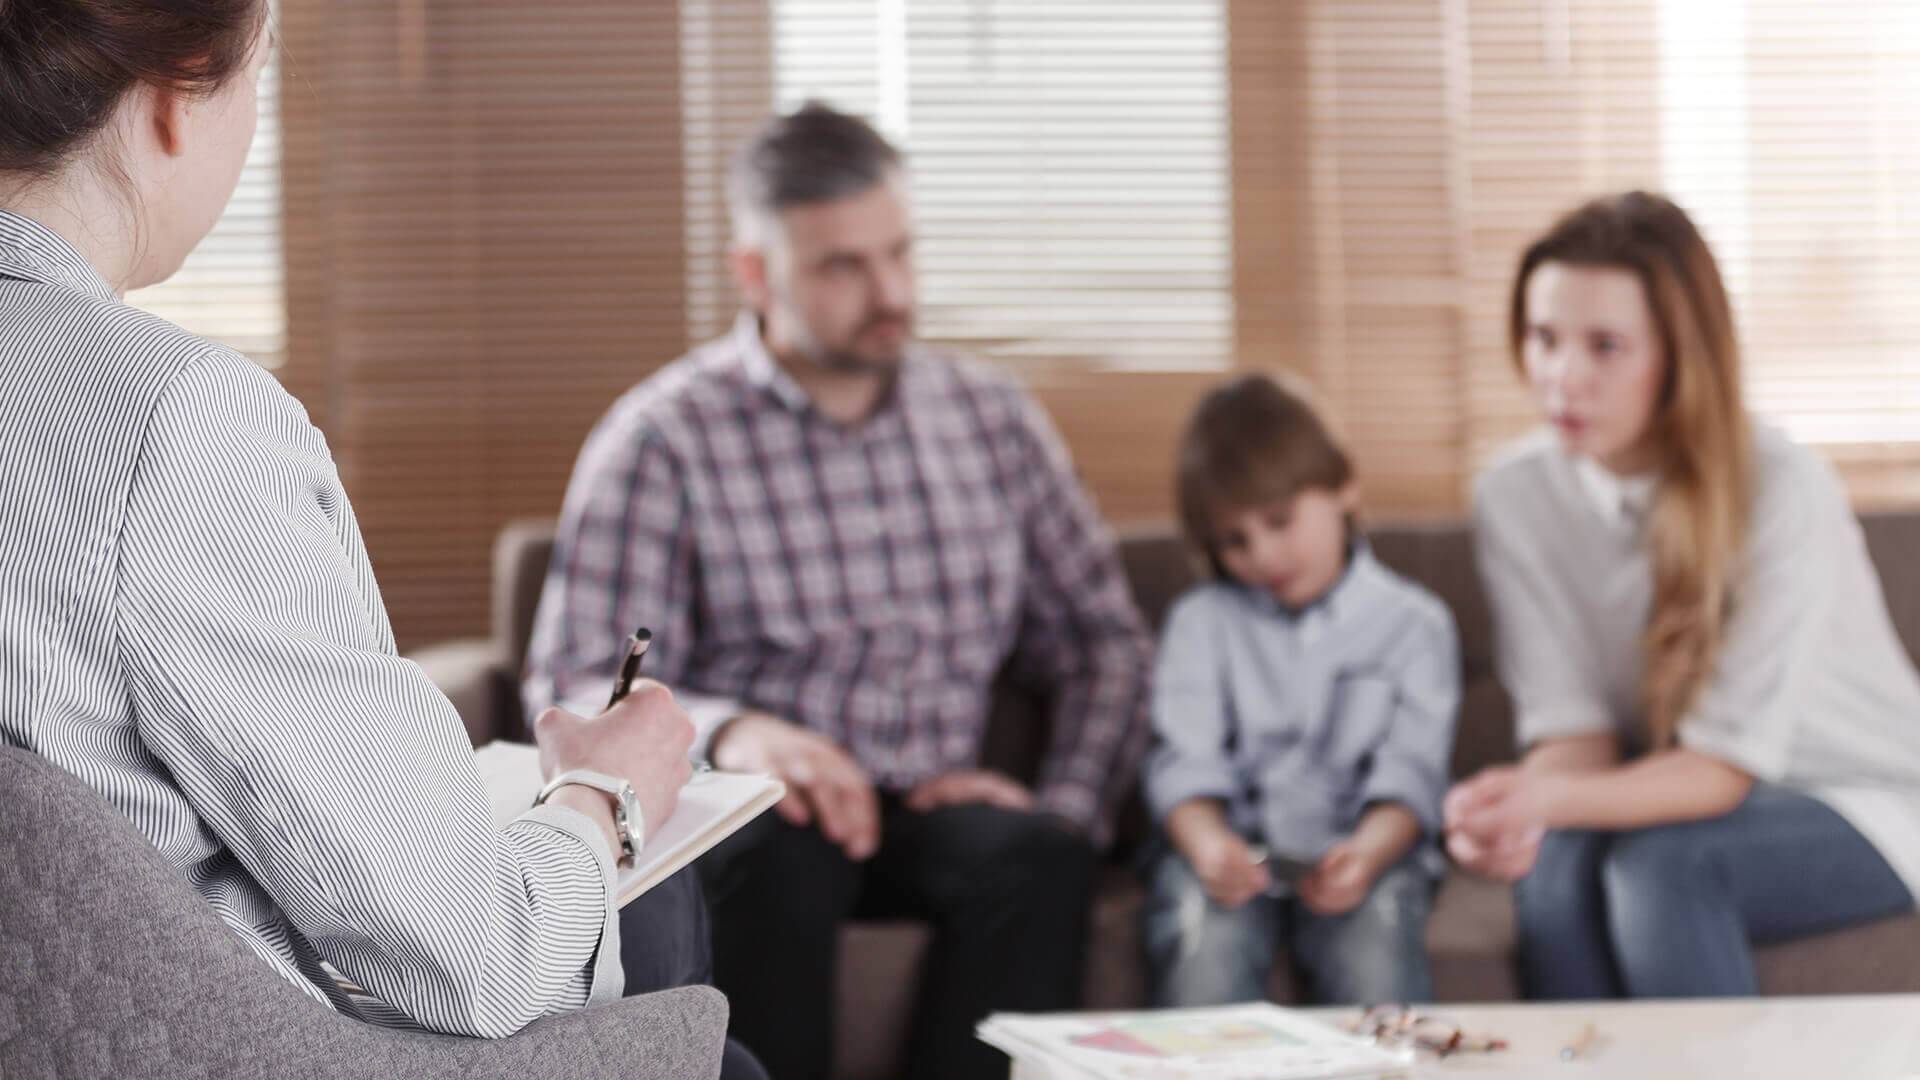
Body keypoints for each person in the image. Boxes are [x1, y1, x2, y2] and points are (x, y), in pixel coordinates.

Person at [0, 3, 759, 1071]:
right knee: (669, 944)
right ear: (178, 96)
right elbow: (475, 963)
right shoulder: (170, 421)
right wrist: (605, 789)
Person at [523, 101, 1155, 1080]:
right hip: (763, 812)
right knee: (776, 857)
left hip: (939, 804)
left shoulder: (993, 422)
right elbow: (584, 677)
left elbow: (1102, 643)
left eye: (899, 253)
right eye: (842, 266)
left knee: (1040, 859)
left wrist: (1059, 801)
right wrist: (739, 733)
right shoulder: (662, 441)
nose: (889, 291)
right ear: (755, 272)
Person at [1445, 191, 1920, 999]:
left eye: (1605, 346)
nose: (1563, 377)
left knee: (1667, 869)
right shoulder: (1516, 496)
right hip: (1669, 787)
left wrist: (1545, 794)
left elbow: (1720, 772)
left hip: (1860, 796)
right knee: (1556, 873)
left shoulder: (1781, 486)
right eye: (1544, 337)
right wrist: (1518, 808)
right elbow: (1576, 731)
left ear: (1679, 354)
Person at [1139, 373, 1460, 1007]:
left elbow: (1411, 777)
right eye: (1235, 541)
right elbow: (1184, 765)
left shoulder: (1414, 625)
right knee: (1205, 937)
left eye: (1280, 521)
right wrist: (1208, 846)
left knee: (1375, 945)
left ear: (1344, 485)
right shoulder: (1201, 622)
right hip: (1230, 860)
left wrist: (1367, 853)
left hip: (1365, 852)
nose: (1263, 555)